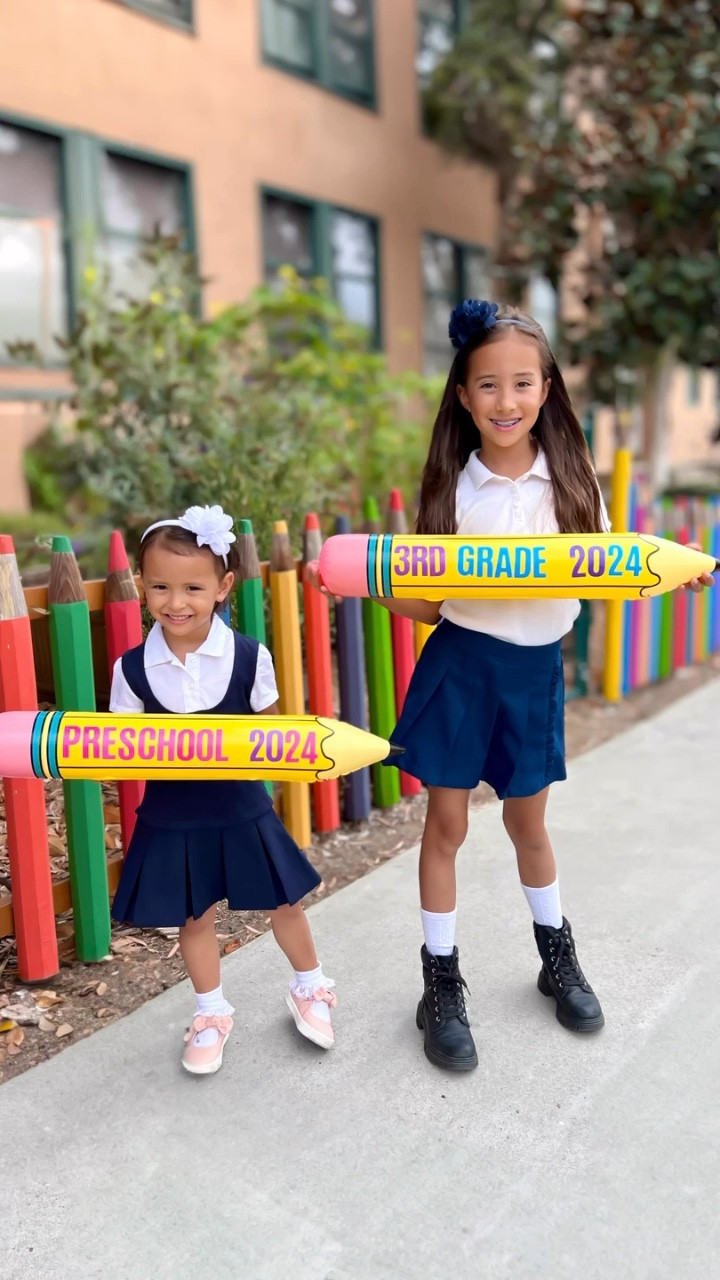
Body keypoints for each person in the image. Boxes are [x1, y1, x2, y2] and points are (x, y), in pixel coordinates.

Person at [309, 299, 713, 1074]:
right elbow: (431, 601)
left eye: (521, 383)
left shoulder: (572, 482)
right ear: (463, 395)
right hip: (464, 667)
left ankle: (555, 957)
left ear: (547, 388)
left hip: (534, 675)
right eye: (486, 385)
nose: (505, 401)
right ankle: (441, 981)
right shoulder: (452, 494)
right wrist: (366, 587)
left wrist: (674, 580)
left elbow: (607, 572)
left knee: (529, 826)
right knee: (448, 829)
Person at [110, 504, 336, 1075]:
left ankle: (310, 987)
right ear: (141, 585)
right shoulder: (132, 670)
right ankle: (211, 1013)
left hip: (242, 806)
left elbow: (275, 732)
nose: (175, 601)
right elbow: (119, 747)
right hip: (173, 812)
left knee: (285, 900)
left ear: (223, 586)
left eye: (192, 586)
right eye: (160, 586)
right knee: (194, 916)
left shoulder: (247, 657)